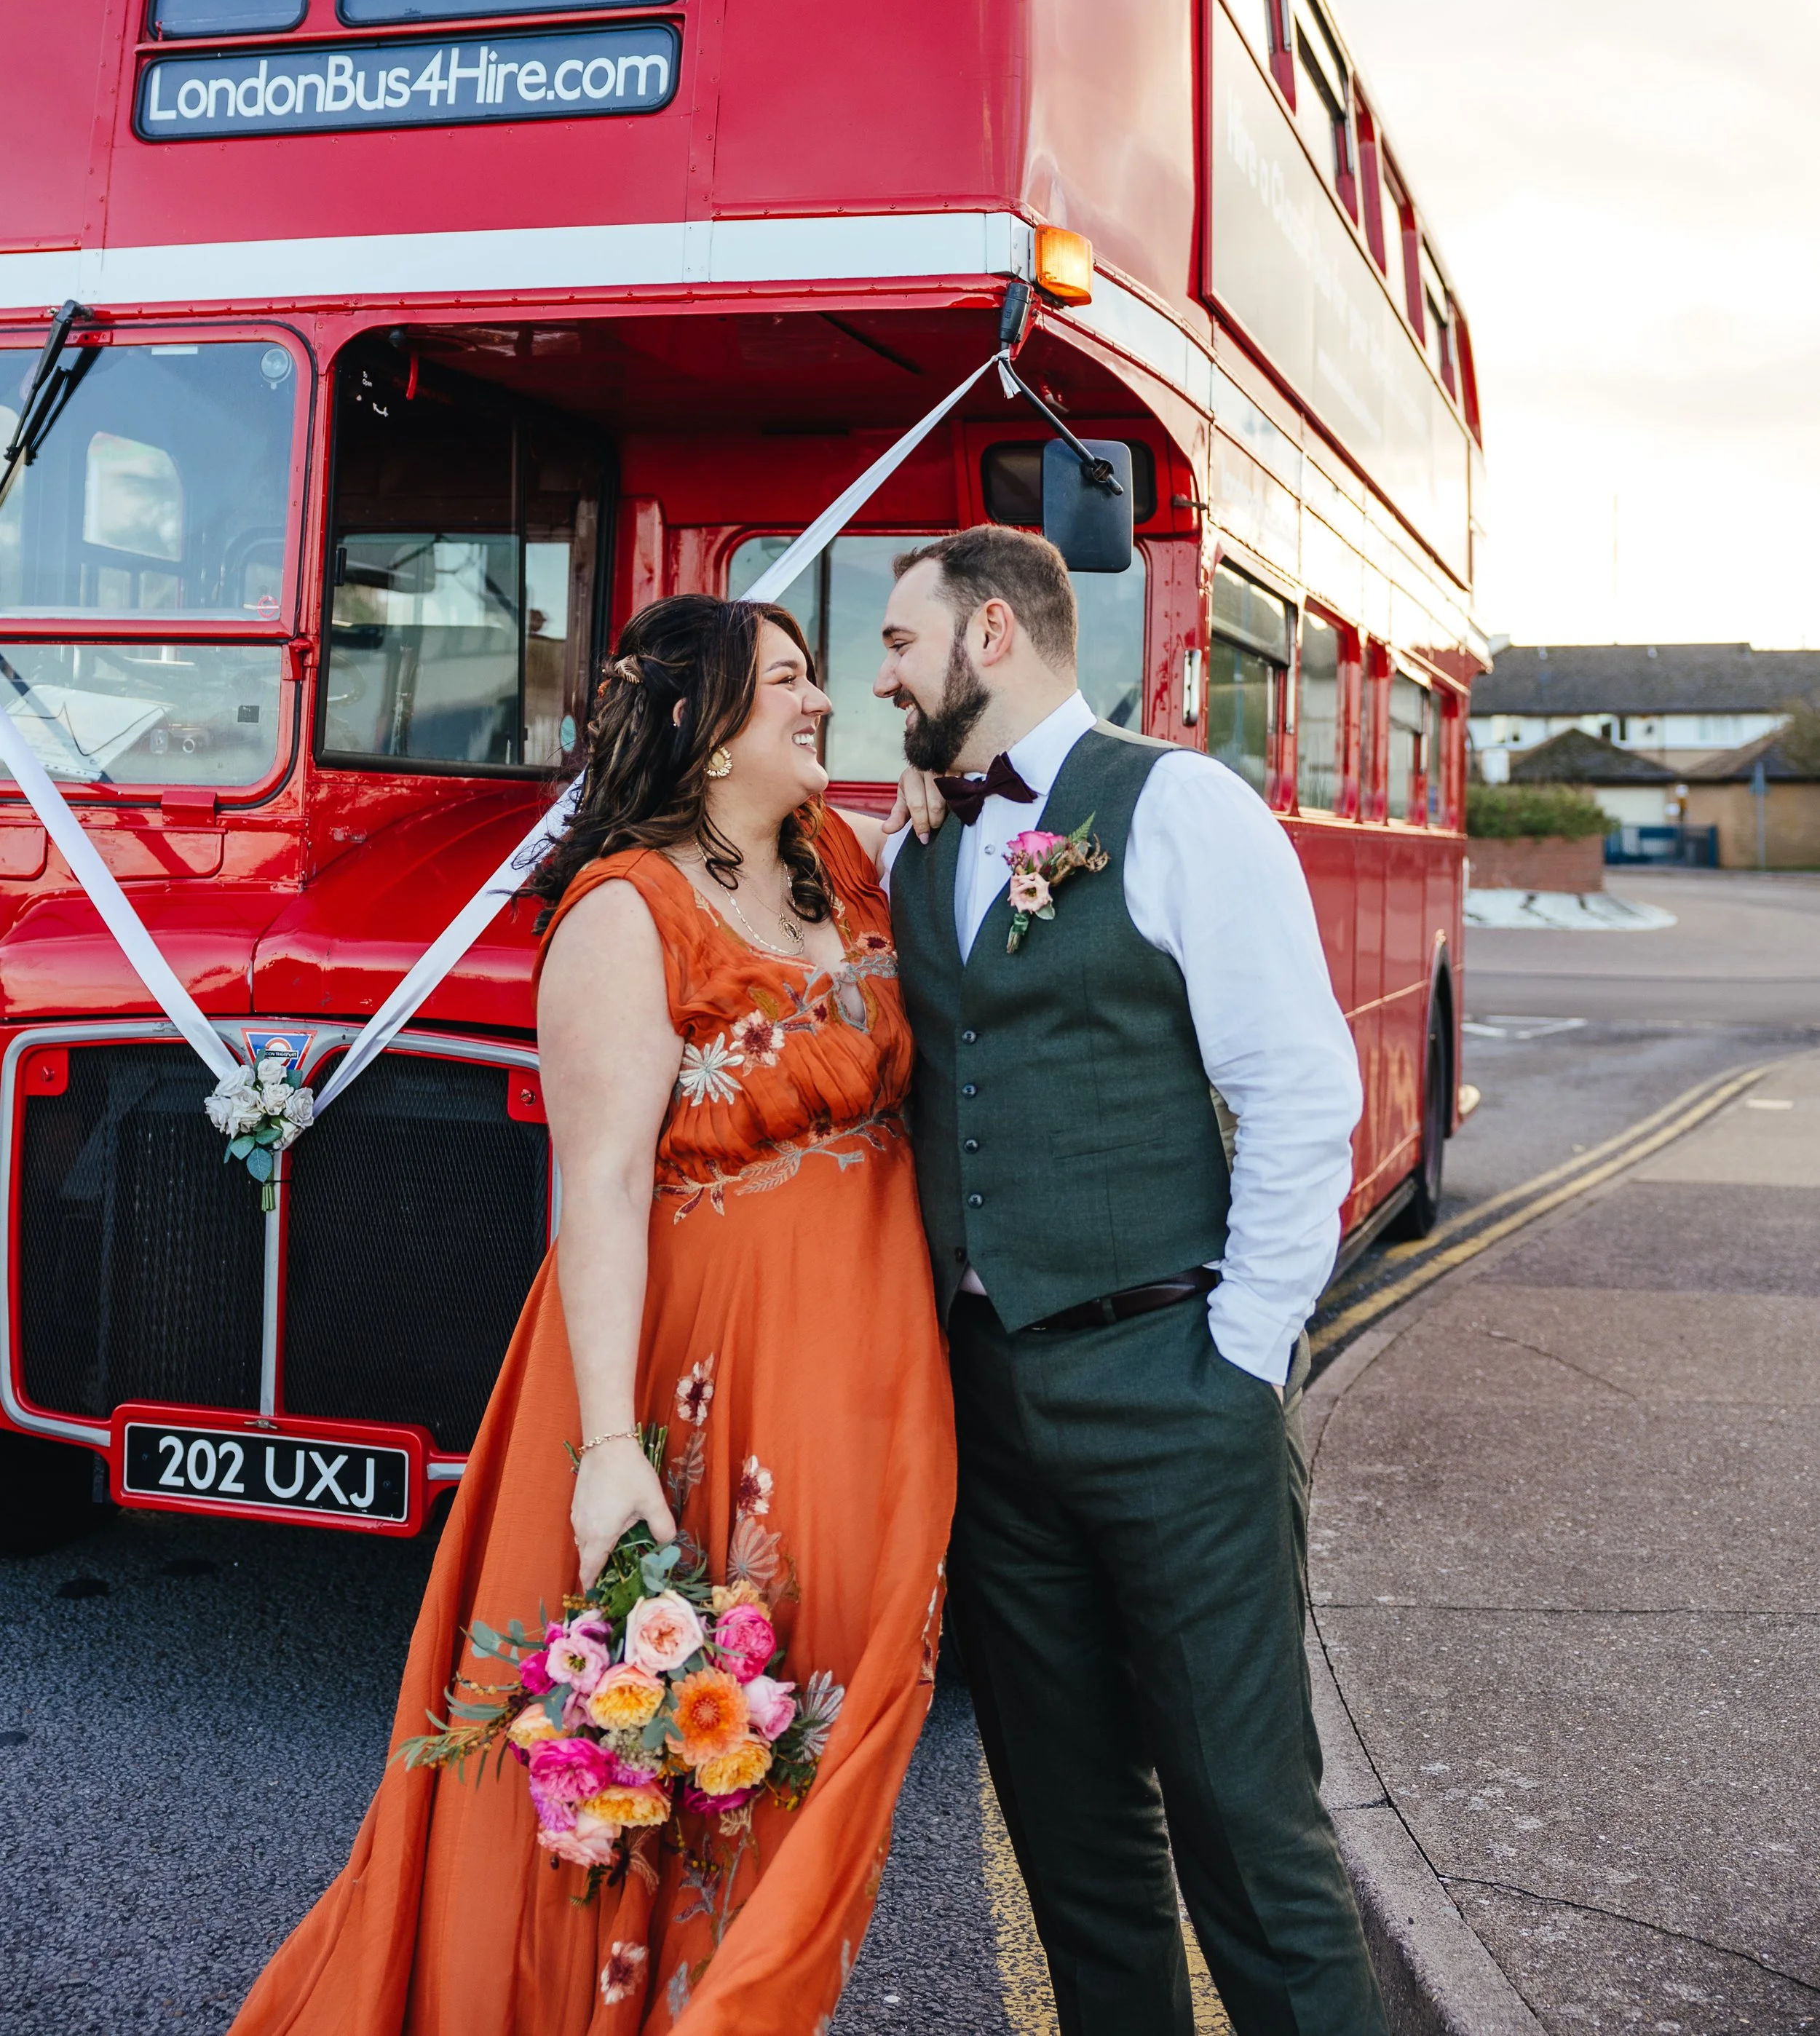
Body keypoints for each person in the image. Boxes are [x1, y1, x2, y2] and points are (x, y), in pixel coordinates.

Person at [231, 595, 954, 2036]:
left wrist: (933, 806)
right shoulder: (624, 910)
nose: (822, 700)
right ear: (705, 727)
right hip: (698, 1374)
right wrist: (613, 1448)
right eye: (791, 680)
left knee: (840, 1707)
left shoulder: (834, 856)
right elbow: (606, 1186)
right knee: (703, 1745)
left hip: (872, 1374)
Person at [875, 525, 1390, 2036]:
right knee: (1069, 1833)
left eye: (898, 642)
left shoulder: (1181, 807)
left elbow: (1299, 1092)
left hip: (1172, 1390)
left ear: (988, 635)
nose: (881, 677)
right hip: (989, 1405)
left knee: (1247, 1825)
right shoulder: (917, 836)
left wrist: (1240, 1359)